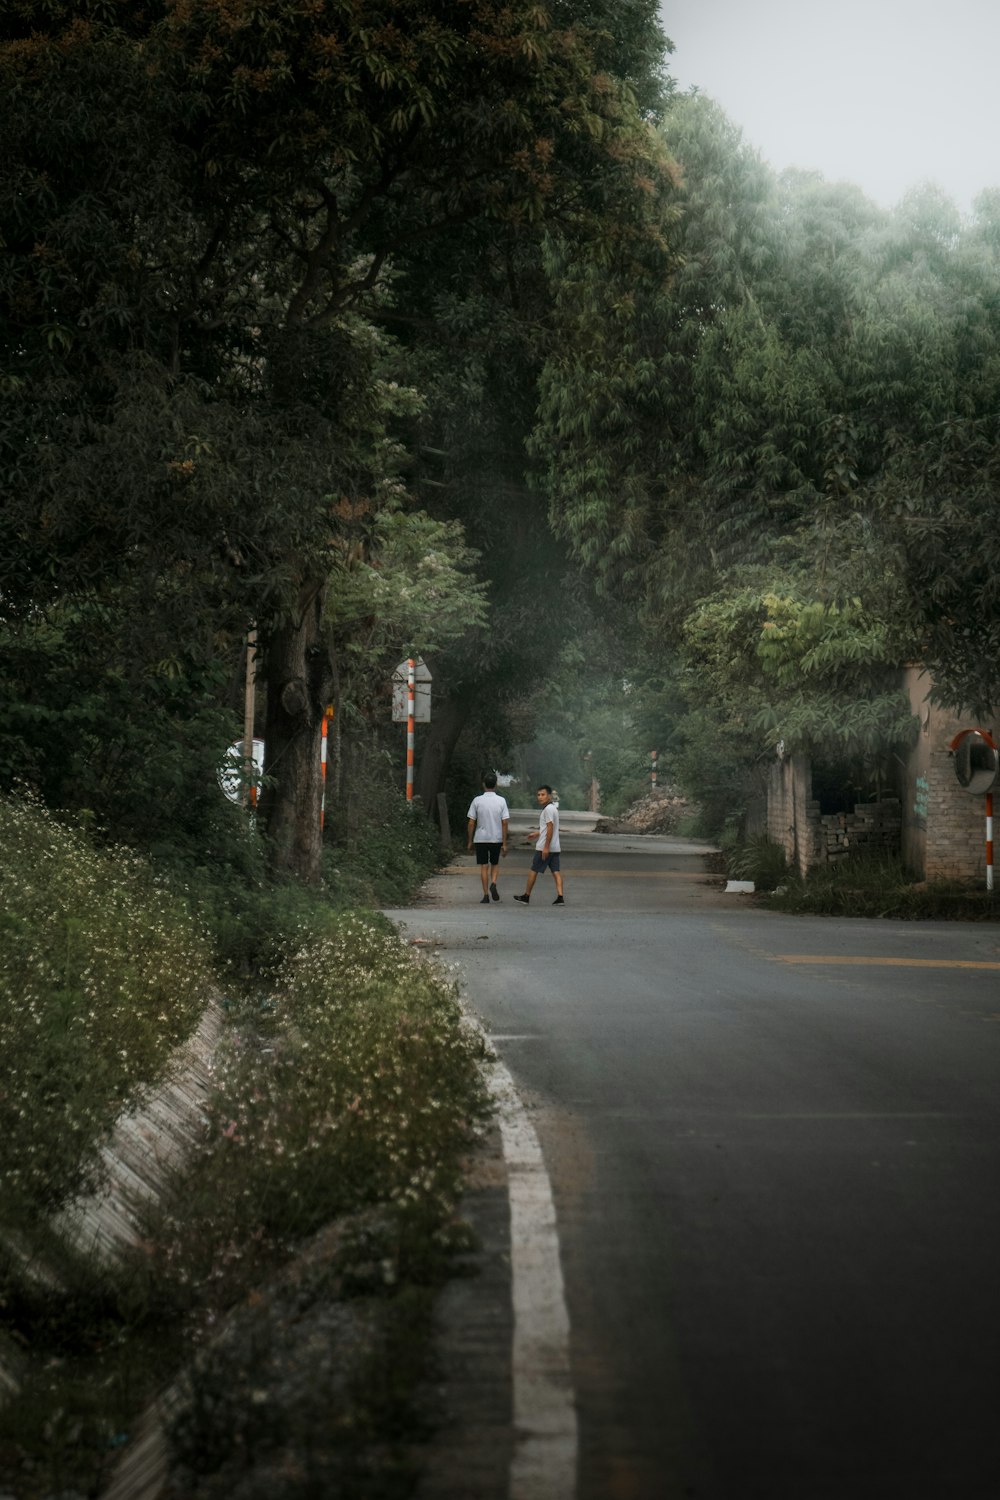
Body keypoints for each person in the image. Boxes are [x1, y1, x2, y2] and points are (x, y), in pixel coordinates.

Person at [513, 784, 564, 905]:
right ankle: (560, 897)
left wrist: (545, 847)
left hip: (544, 848)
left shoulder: (548, 810)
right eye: (538, 795)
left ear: (550, 796)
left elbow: (550, 828)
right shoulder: (552, 809)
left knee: (533, 870)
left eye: (543, 794)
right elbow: (547, 828)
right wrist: (537, 833)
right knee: (556, 871)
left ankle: (526, 896)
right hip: (555, 847)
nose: (540, 797)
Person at [467, 772, 510, 903]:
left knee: (484, 866)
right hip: (496, 838)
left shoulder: (477, 801)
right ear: (496, 785)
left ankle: (485, 895)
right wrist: (504, 843)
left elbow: (471, 822)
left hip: (480, 838)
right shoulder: (501, 801)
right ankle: (494, 883)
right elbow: (504, 823)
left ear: (483, 784)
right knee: (495, 864)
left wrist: (470, 841)